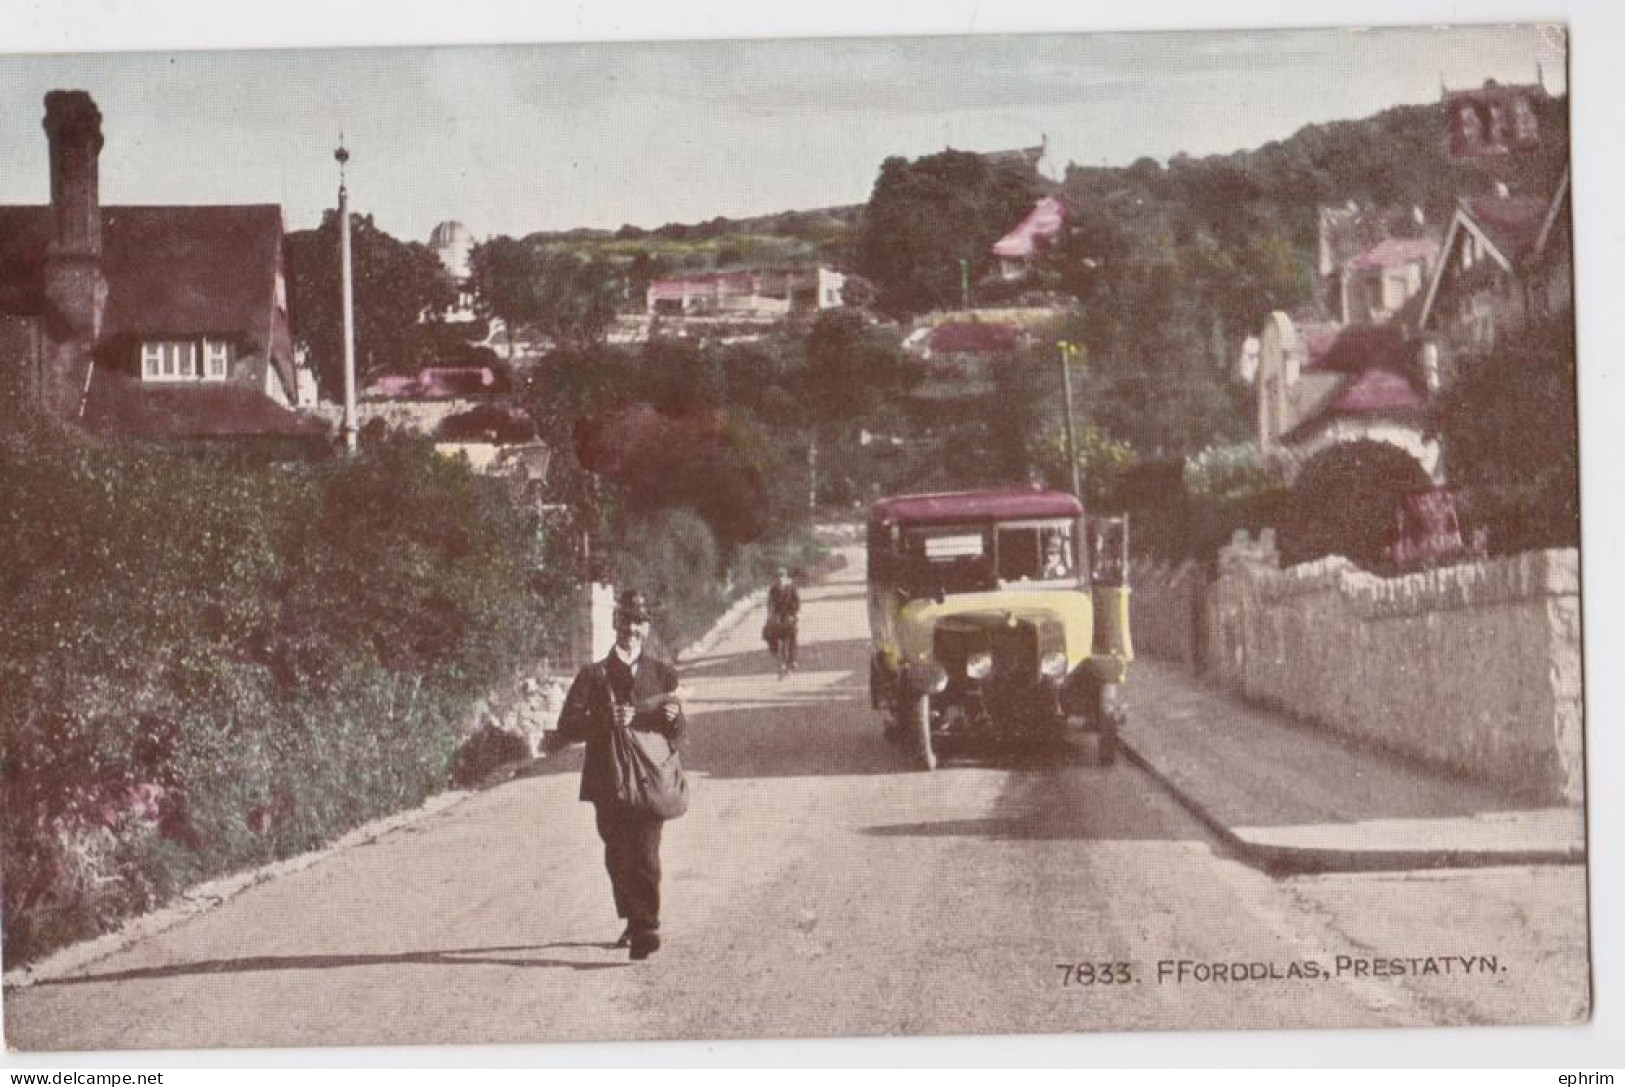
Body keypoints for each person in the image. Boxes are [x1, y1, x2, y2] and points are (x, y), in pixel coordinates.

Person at [543, 589, 684, 961]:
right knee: (618, 856)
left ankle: (645, 928)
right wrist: (606, 719)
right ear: (614, 624)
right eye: (625, 621)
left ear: (647, 627)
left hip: (650, 778)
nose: (631, 629)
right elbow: (568, 726)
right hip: (607, 780)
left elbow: (674, 731)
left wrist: (673, 719)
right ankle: (633, 916)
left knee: (647, 856)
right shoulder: (593, 675)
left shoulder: (662, 673)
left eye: (638, 622)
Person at [765, 567, 801, 675]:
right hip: (777, 616)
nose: (780, 579)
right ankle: (779, 660)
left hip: (789, 615)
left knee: (792, 635)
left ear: (785, 577)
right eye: (778, 577)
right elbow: (770, 604)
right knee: (770, 635)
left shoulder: (791, 588)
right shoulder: (773, 590)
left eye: (782, 576)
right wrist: (771, 616)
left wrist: (795, 614)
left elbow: (797, 602)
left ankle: (792, 660)